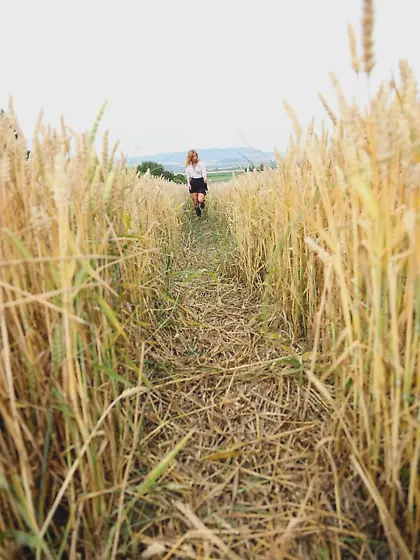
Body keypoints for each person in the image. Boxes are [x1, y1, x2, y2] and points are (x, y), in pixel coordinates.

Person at [185, 149, 208, 216]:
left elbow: (204, 172)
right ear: (190, 157)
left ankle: (202, 203)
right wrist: (188, 184)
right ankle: (198, 215)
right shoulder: (188, 165)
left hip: (200, 181)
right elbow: (188, 176)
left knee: (200, 200)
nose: (195, 157)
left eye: (195, 156)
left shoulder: (201, 163)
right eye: (193, 156)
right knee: (195, 202)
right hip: (193, 182)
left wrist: (205, 178)